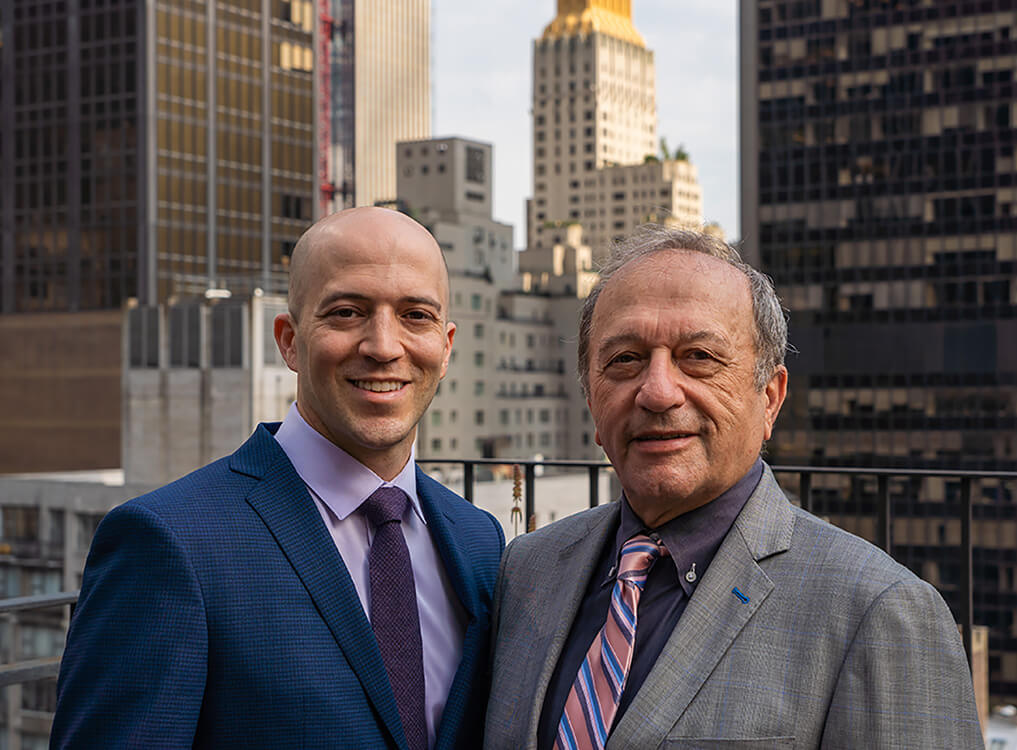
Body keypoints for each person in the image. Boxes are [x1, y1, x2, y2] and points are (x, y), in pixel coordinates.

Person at [483, 225, 982, 749]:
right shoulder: (528, 571)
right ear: (591, 402)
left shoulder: (880, 611)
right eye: (625, 359)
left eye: (699, 356)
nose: (657, 391)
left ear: (770, 398)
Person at [52, 207, 505, 749]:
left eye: (415, 315)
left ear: (446, 346)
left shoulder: (479, 541)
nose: (384, 346)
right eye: (346, 312)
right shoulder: (168, 544)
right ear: (289, 340)